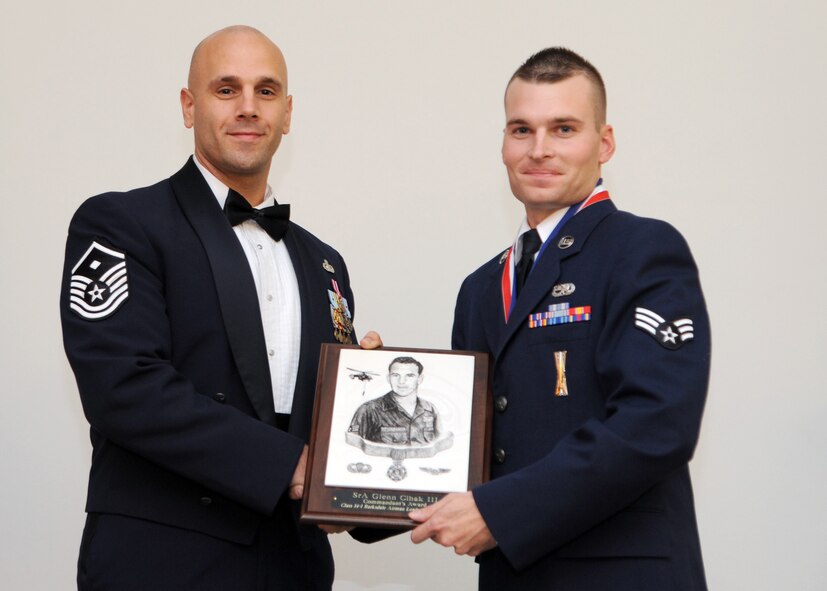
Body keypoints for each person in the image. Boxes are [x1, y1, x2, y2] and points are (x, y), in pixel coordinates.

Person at [60, 25, 381, 591]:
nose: (248, 108)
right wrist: (290, 466)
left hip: (292, 569)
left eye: (266, 91)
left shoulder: (326, 262)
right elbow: (123, 388)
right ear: (189, 106)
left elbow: (312, 420)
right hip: (162, 564)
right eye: (226, 89)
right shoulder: (120, 224)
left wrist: (363, 395)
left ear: (287, 113)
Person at [409, 47, 710, 590]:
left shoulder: (643, 251)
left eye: (563, 128)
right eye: (521, 130)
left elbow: (656, 423)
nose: (539, 150)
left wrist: (500, 513)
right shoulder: (480, 289)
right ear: (503, 143)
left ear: (605, 142)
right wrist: (351, 488)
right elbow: (462, 449)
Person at [348, 356, 440, 445]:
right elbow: (352, 447)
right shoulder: (369, 410)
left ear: (420, 379)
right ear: (388, 378)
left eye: (409, 376)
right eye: (396, 375)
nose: (401, 381)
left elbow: (440, 444)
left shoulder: (430, 409)